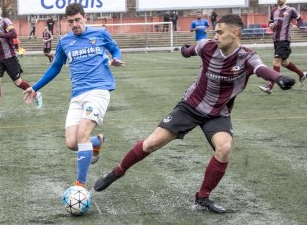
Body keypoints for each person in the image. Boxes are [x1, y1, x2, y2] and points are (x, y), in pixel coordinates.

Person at [93, 14, 295, 214]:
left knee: (224, 148)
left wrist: (278, 78)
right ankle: (116, 173)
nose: (215, 36)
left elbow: (260, 69)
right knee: (152, 143)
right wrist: (184, 50)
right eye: (215, 31)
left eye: (219, 32)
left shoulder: (247, 57)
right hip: (190, 107)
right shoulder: (207, 46)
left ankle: (202, 198)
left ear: (234, 33)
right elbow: (190, 50)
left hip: (218, 113)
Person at [23, 2, 125, 189]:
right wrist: (35, 87)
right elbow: (55, 67)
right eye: (71, 22)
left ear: (85, 18)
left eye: (78, 20)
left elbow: (115, 49)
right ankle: (97, 142)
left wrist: (116, 58)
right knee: (71, 142)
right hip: (77, 95)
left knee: (82, 134)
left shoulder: (100, 34)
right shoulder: (64, 42)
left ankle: (80, 185)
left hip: (98, 91)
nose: (75, 24)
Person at [0, 2, 43, 119]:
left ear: (1, 11)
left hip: (9, 57)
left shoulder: (5, 21)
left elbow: (13, 34)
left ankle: (36, 94)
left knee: (18, 82)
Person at [259, 0, 306, 94]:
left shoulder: (291, 10)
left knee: (276, 61)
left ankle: (270, 87)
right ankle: (302, 75)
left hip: (284, 40)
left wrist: (297, 26)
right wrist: (271, 25)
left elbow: (300, 19)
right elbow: (270, 22)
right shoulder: (273, 11)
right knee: (284, 62)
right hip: (275, 40)